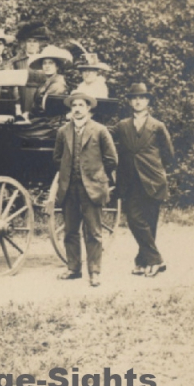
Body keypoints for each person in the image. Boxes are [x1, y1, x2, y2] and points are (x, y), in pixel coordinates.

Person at [53, 91, 118, 287]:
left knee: (94, 232)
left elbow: (112, 159)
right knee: (70, 231)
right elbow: (57, 158)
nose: (77, 109)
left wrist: (96, 176)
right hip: (69, 188)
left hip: (92, 188)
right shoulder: (63, 131)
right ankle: (73, 269)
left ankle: (94, 272)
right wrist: (67, 174)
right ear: (71, 109)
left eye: (81, 105)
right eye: (74, 106)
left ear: (88, 109)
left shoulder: (100, 130)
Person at [111, 83, 174, 277]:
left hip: (153, 179)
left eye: (142, 98)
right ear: (130, 102)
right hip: (130, 180)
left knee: (149, 221)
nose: (138, 101)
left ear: (147, 101)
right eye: (134, 98)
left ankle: (142, 262)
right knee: (134, 219)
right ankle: (157, 260)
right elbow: (103, 135)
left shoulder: (158, 126)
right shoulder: (121, 126)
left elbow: (168, 155)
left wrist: (155, 168)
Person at [26, 45, 72, 118]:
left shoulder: (58, 84)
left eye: (50, 63)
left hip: (51, 122)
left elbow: (47, 107)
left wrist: (31, 116)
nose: (47, 66)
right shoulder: (45, 82)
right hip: (41, 119)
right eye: (44, 63)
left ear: (57, 66)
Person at [12, 22, 49, 113]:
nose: (32, 44)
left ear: (39, 44)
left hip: (41, 97)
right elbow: (13, 85)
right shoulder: (16, 61)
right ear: (25, 43)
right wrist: (17, 103)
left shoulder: (45, 61)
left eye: (35, 41)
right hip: (23, 97)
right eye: (29, 41)